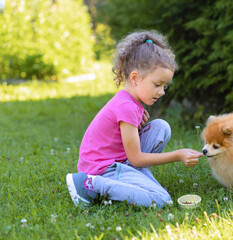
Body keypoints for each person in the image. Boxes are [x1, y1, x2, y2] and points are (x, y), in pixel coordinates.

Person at [66, 30, 203, 207]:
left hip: (116, 160)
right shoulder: (127, 107)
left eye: (164, 86)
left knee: (161, 127)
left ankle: (133, 180)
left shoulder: (131, 101)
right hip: (102, 169)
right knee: (162, 199)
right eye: (157, 84)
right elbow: (136, 158)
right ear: (135, 78)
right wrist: (178, 154)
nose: (161, 92)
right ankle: (90, 184)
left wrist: (138, 124)